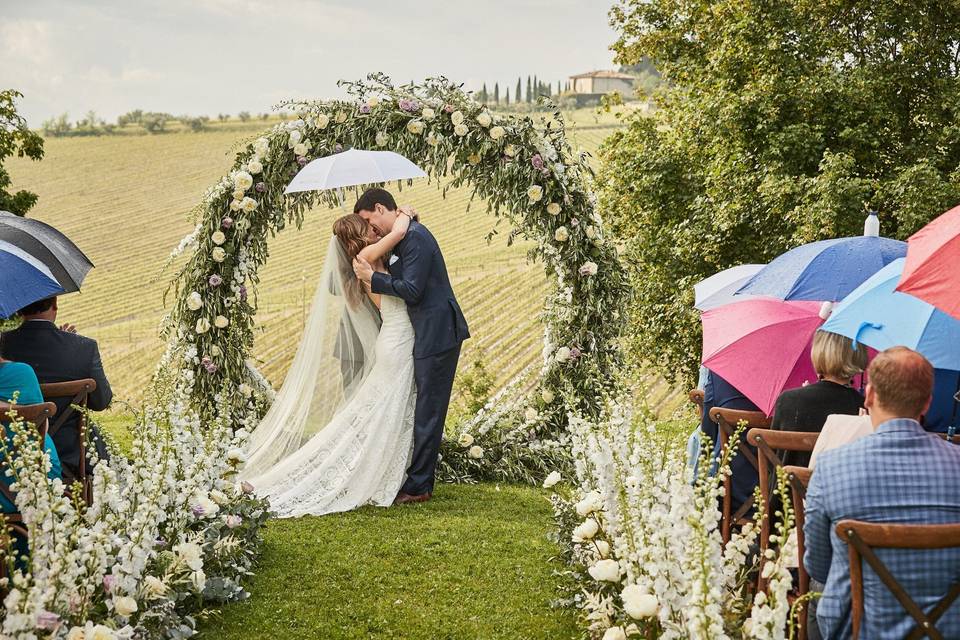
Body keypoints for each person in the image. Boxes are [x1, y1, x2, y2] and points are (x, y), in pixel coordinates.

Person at [244, 210, 422, 516]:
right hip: (397, 342)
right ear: (358, 235)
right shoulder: (365, 257)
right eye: (366, 226)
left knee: (379, 408)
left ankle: (378, 464)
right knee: (380, 408)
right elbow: (399, 233)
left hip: (396, 337)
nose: (372, 228)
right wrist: (405, 214)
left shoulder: (369, 261)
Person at [804, 347, 960, 639]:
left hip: (857, 630)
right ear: (926, 403)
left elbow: (818, 565)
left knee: (816, 592)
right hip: (947, 630)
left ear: (870, 394)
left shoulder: (832, 467)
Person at [353, 188, 469, 504]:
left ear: (379, 208)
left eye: (369, 220)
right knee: (424, 407)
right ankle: (415, 478)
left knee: (429, 410)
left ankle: (419, 486)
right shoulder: (405, 235)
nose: (370, 229)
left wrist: (372, 279)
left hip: (438, 332)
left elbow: (414, 290)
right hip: (427, 331)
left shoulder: (414, 237)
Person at [0, 297, 112, 483]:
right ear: (55, 305)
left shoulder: (4, 345)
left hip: (15, 450)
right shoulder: (84, 347)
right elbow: (102, 401)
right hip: (71, 452)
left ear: (19, 310)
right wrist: (69, 343)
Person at [770, 331, 867, 467]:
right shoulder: (863, 408)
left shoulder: (787, 400)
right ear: (858, 355)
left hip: (786, 486)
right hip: (834, 487)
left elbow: (772, 459)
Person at [0, 355, 62, 513]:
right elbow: (43, 425)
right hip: (34, 479)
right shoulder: (22, 372)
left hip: (24, 478)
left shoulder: (18, 372)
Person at [698, 369, 760, 515]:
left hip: (733, 492)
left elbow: (708, 435)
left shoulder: (721, 374)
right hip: (783, 497)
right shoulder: (793, 385)